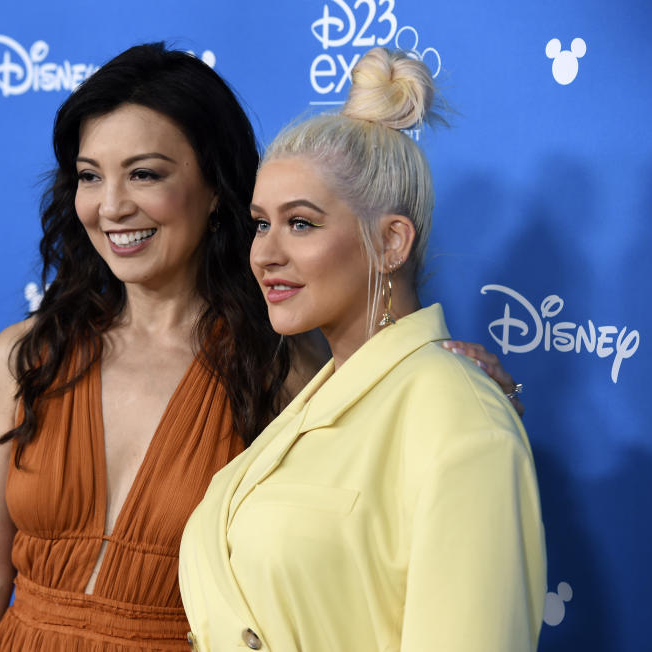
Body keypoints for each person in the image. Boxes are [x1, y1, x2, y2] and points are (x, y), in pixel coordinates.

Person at [0, 44, 525, 651]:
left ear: (214, 188)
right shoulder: (27, 358)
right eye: (90, 176)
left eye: (144, 174)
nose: (111, 206)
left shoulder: (283, 369)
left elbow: (384, 435)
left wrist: (448, 380)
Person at [178, 46, 546, 652]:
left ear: (391, 242)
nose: (265, 253)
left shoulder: (458, 416)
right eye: (260, 223)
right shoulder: (311, 393)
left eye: (300, 223)